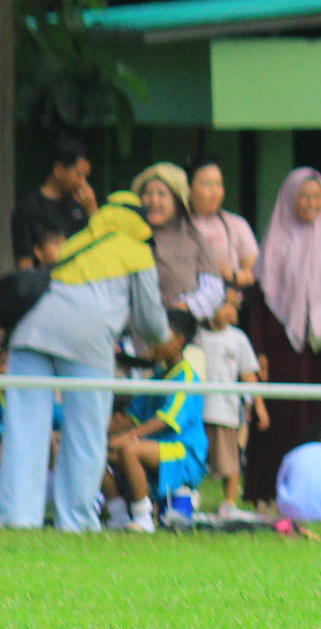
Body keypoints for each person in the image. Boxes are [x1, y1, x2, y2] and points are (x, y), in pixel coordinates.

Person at [1, 190, 168, 530]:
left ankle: (18, 517)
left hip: (31, 331)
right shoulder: (136, 252)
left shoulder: (78, 241)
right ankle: (75, 519)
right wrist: (163, 342)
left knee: (24, 426)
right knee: (85, 430)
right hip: (87, 340)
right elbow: (150, 323)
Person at [245, 167, 321, 504]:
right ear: (289, 199)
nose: (310, 203)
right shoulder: (275, 244)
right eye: (303, 197)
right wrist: (260, 352)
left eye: (316, 197)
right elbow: (260, 306)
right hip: (283, 351)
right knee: (281, 420)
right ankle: (270, 494)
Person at [103, 309, 206, 532]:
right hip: (152, 445)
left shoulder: (186, 377)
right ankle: (118, 515)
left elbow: (166, 420)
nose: (152, 341)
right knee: (97, 452)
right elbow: (133, 416)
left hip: (184, 451)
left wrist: (128, 437)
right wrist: (97, 433)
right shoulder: (157, 376)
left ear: (179, 341)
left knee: (130, 450)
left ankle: (143, 518)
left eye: (160, 334)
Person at [198, 289, 267, 518]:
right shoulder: (197, 336)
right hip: (197, 409)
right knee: (197, 455)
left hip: (225, 410)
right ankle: (190, 494)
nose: (230, 312)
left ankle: (229, 500)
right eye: (225, 305)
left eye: (234, 307)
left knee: (229, 460)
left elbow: (248, 373)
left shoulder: (237, 339)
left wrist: (258, 405)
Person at [133, 161, 229, 315]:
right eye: (148, 194)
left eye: (162, 194)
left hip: (182, 330)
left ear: (177, 201)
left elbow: (213, 290)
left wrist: (183, 309)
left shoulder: (192, 238)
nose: (153, 201)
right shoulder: (130, 237)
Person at [12, 135, 96, 267]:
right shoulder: (29, 209)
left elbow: (99, 245)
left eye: (85, 176)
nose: (83, 182)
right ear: (59, 170)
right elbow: (25, 263)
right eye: (78, 175)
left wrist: (91, 209)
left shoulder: (80, 204)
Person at [186, 152, 260, 290]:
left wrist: (233, 275)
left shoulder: (237, 224)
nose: (215, 192)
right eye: (207, 185)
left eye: (219, 184)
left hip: (231, 302)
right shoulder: (178, 225)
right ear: (188, 189)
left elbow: (255, 272)